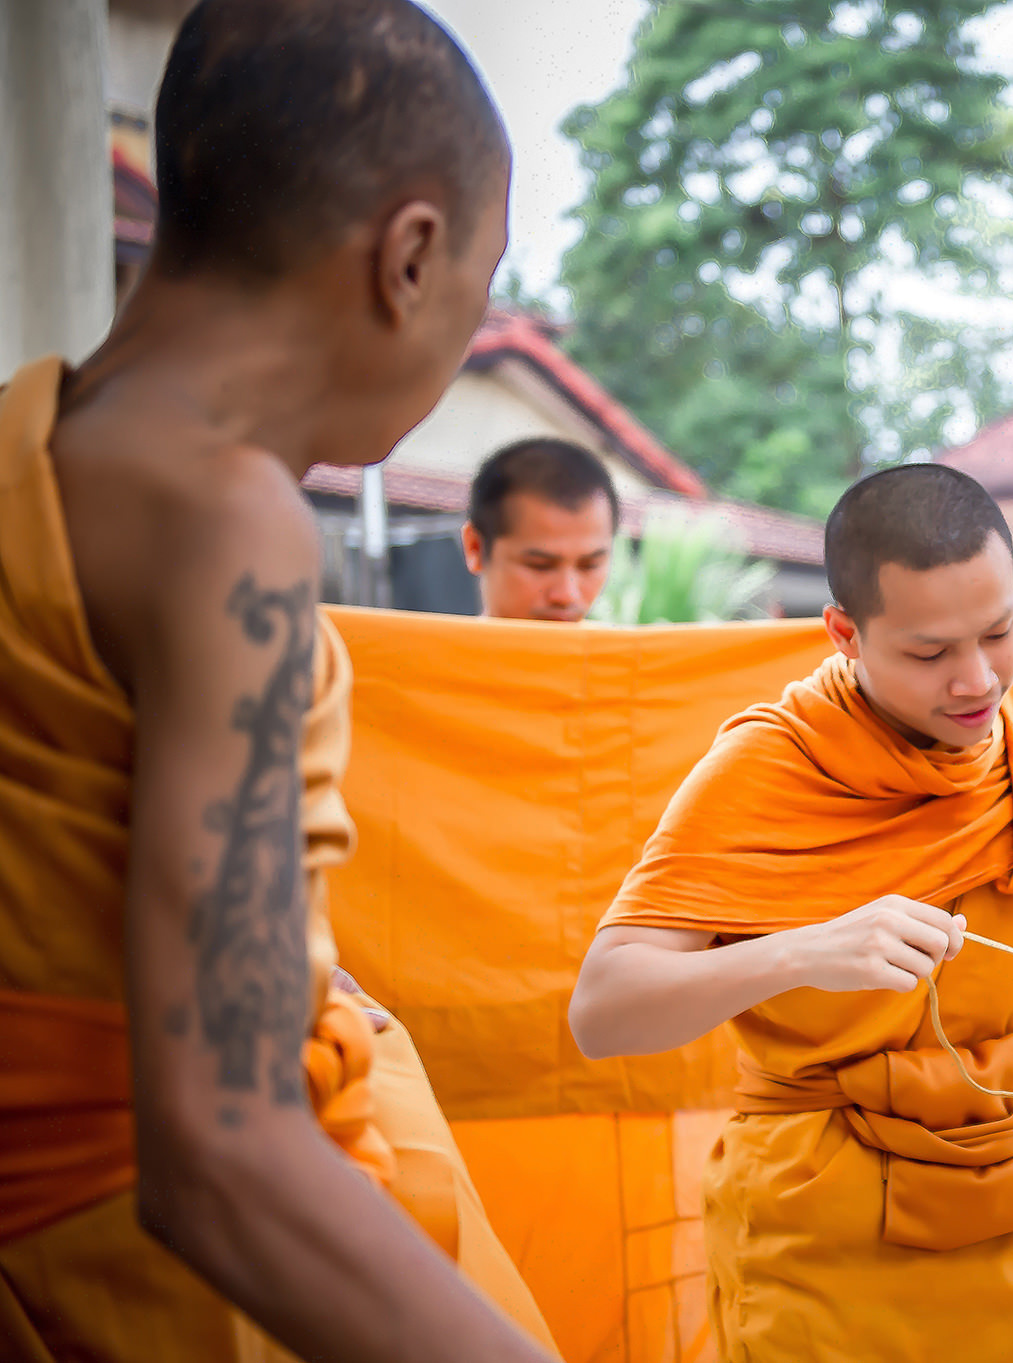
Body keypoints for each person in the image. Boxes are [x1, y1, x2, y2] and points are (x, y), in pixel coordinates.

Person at [0, 2, 557, 1358]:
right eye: (478, 299)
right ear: (410, 258)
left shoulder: (30, 449)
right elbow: (224, 1149)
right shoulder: (226, 521)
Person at [569, 464, 1013, 1362]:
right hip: (821, 1225)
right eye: (929, 652)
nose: (976, 680)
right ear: (844, 633)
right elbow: (604, 1009)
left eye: (999, 632)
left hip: (1008, 1203)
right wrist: (804, 952)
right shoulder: (771, 767)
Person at [462, 437, 619, 622]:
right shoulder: (427, 650)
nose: (567, 596)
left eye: (590, 566)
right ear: (476, 548)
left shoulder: (627, 651)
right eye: (540, 565)